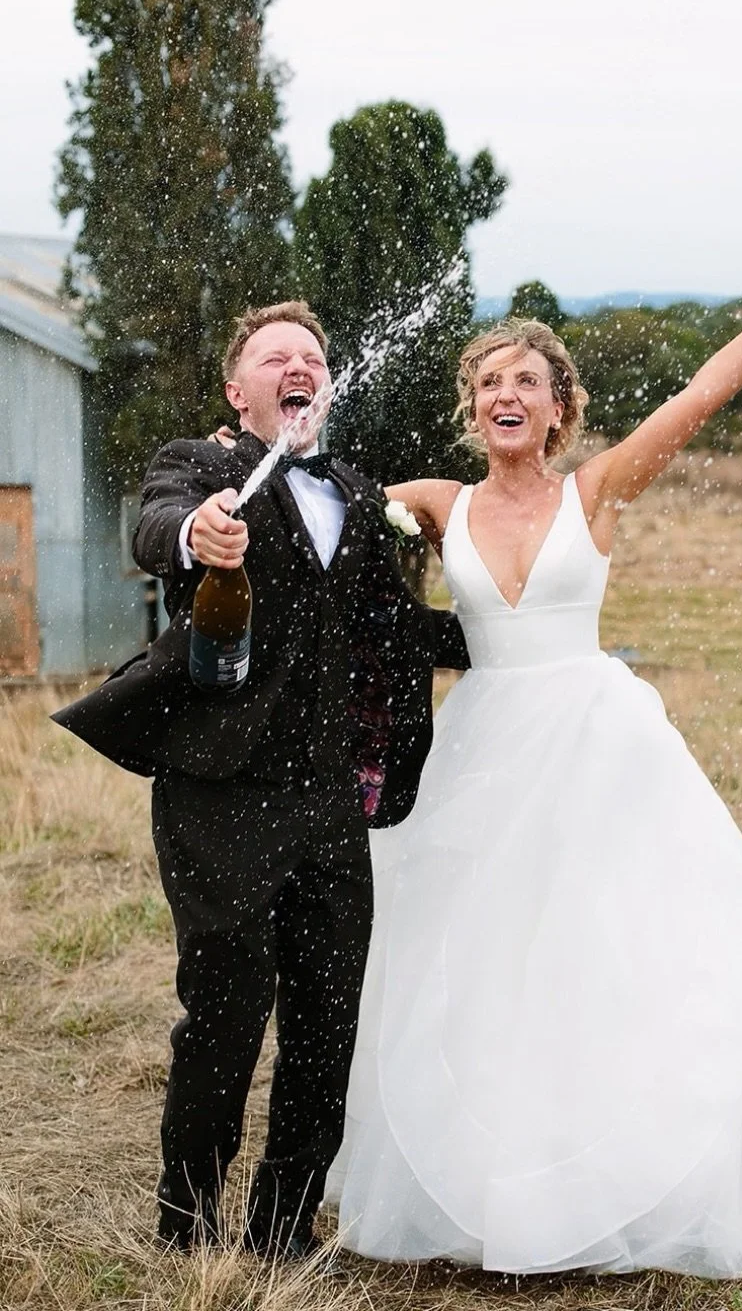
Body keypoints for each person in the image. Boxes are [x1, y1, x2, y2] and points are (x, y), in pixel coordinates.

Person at [323, 266, 742, 1277]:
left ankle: (634, 1159)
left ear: (558, 410)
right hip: (482, 751)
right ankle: (501, 1172)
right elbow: (312, 518)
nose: (507, 394)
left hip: (598, 748)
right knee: (483, 955)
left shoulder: (596, 489)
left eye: (527, 382)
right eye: (490, 382)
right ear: (472, 409)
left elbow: (698, 398)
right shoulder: (432, 503)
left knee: (620, 942)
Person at [52, 301, 469, 1259]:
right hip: (220, 794)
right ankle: (187, 1226)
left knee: (328, 1021)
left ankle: (284, 1231)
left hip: (330, 802)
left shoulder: (357, 495)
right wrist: (197, 531)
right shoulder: (202, 469)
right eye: (275, 357)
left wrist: (521, 641)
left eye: (311, 358)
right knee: (227, 1013)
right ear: (238, 393)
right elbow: (158, 525)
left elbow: (393, 625)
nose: (298, 368)